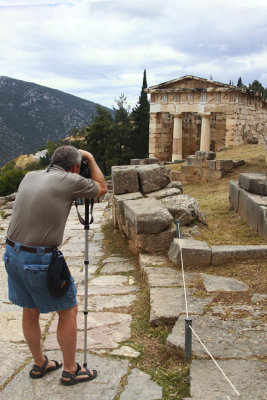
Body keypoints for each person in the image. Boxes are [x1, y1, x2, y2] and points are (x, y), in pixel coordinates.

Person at [3, 145, 107, 385]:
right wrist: (89, 157)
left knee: (30, 309)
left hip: (11, 253)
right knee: (68, 310)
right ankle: (71, 370)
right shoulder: (69, 180)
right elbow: (102, 188)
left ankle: (40, 363)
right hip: (38, 259)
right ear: (73, 167)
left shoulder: (31, 175)